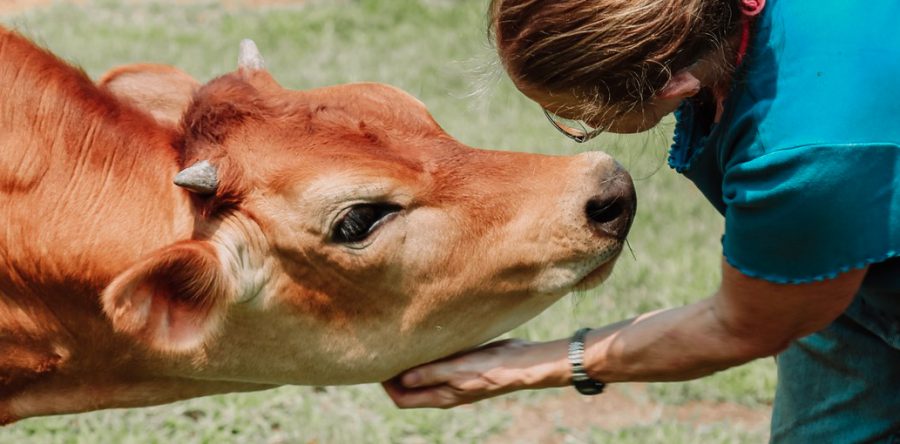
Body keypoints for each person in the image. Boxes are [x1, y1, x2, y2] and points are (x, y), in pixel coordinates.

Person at [382, 0, 900, 442]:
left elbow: (741, 327)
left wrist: (524, 365)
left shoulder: (801, 157)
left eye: (579, 119)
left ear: (674, 82)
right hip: (845, 274)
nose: (581, 127)